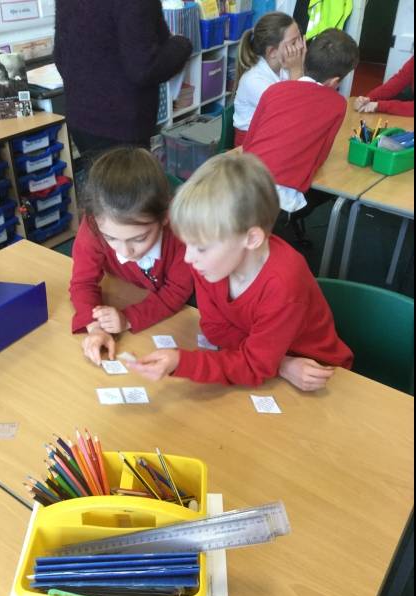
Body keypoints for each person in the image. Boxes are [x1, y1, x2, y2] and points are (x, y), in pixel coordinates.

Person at [126, 153, 353, 391]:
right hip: (268, 364)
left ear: (251, 239)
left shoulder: (283, 284)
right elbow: (215, 329)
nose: (188, 258)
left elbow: (254, 366)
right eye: (187, 244)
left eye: (201, 247)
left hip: (316, 373)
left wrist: (181, 361)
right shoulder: (210, 265)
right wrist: (280, 364)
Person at [69, 147, 194, 366]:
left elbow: (176, 292)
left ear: (165, 217)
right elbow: (83, 282)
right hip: (130, 290)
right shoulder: (93, 226)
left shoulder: (183, 232)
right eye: (111, 238)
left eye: (139, 239)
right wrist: (96, 327)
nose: (125, 251)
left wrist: (128, 318)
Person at [243, 28, 359, 244]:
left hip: (242, 181)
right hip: (278, 203)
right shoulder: (337, 104)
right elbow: (320, 156)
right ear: (335, 81)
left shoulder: (275, 90)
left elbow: (249, 142)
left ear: (305, 58)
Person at [54, 0, 192, 156]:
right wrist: (182, 45)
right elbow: (145, 69)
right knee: (129, 172)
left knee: (95, 171)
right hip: (122, 125)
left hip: (80, 117)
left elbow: (60, 57)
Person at [232, 11, 306, 148]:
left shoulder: (283, 69)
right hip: (249, 147)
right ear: (272, 52)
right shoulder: (254, 81)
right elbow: (293, 114)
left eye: (300, 38)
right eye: (294, 42)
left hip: (273, 135)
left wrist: (296, 70)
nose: (301, 46)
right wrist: (297, 69)